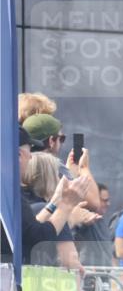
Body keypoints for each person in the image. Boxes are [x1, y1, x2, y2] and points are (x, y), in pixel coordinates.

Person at [0, 127, 91, 270]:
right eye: (28, 151)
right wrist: (66, 205)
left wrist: (55, 202)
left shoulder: (9, 191)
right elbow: (38, 238)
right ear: (17, 154)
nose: (31, 157)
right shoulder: (8, 192)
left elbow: (29, 230)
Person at [22, 113, 101, 211]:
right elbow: (94, 203)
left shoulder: (19, 164)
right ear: (51, 141)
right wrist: (83, 167)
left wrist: (69, 173)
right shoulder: (54, 166)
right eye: (61, 138)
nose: (61, 143)